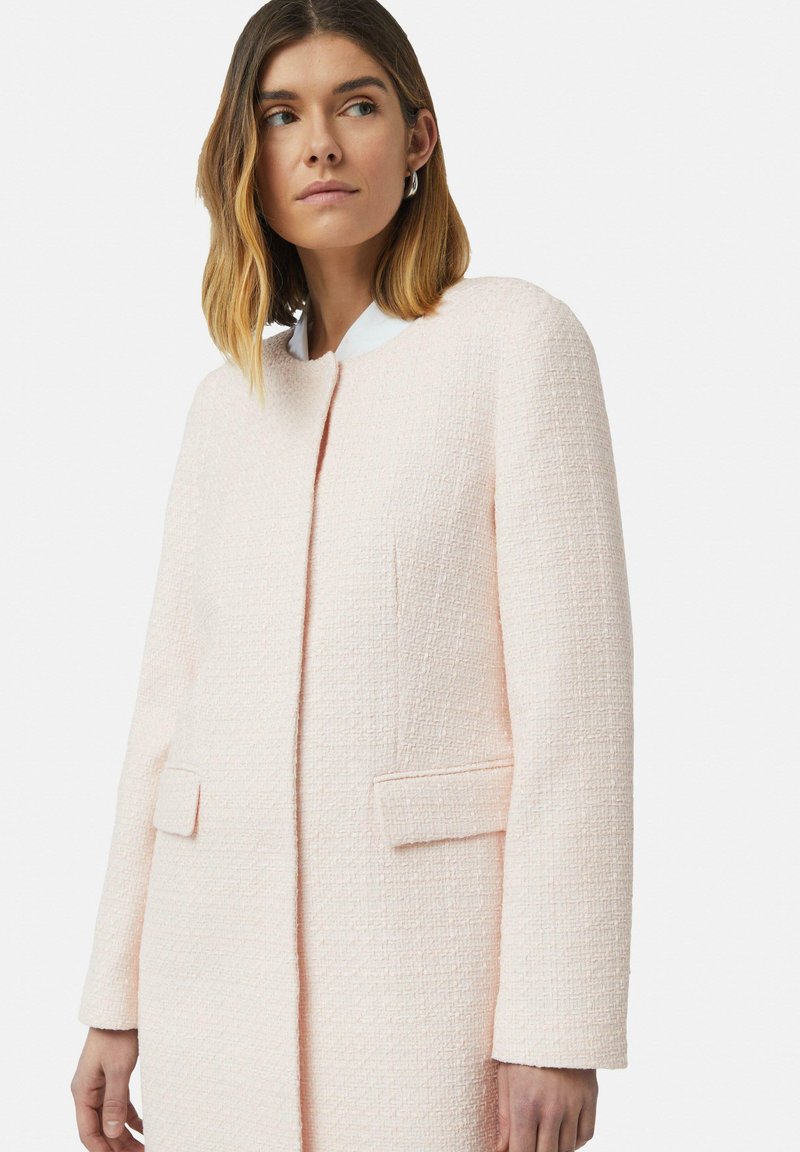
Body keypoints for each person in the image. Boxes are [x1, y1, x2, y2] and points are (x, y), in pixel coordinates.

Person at [70, 2, 634, 1150]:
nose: (320, 144)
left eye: (356, 105)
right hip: (207, 985)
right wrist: (112, 1000)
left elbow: (575, 710)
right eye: (282, 115)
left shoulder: (515, 343)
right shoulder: (225, 403)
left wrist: (554, 1018)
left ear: (417, 137)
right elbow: (164, 716)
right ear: (247, 156)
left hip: (426, 986)